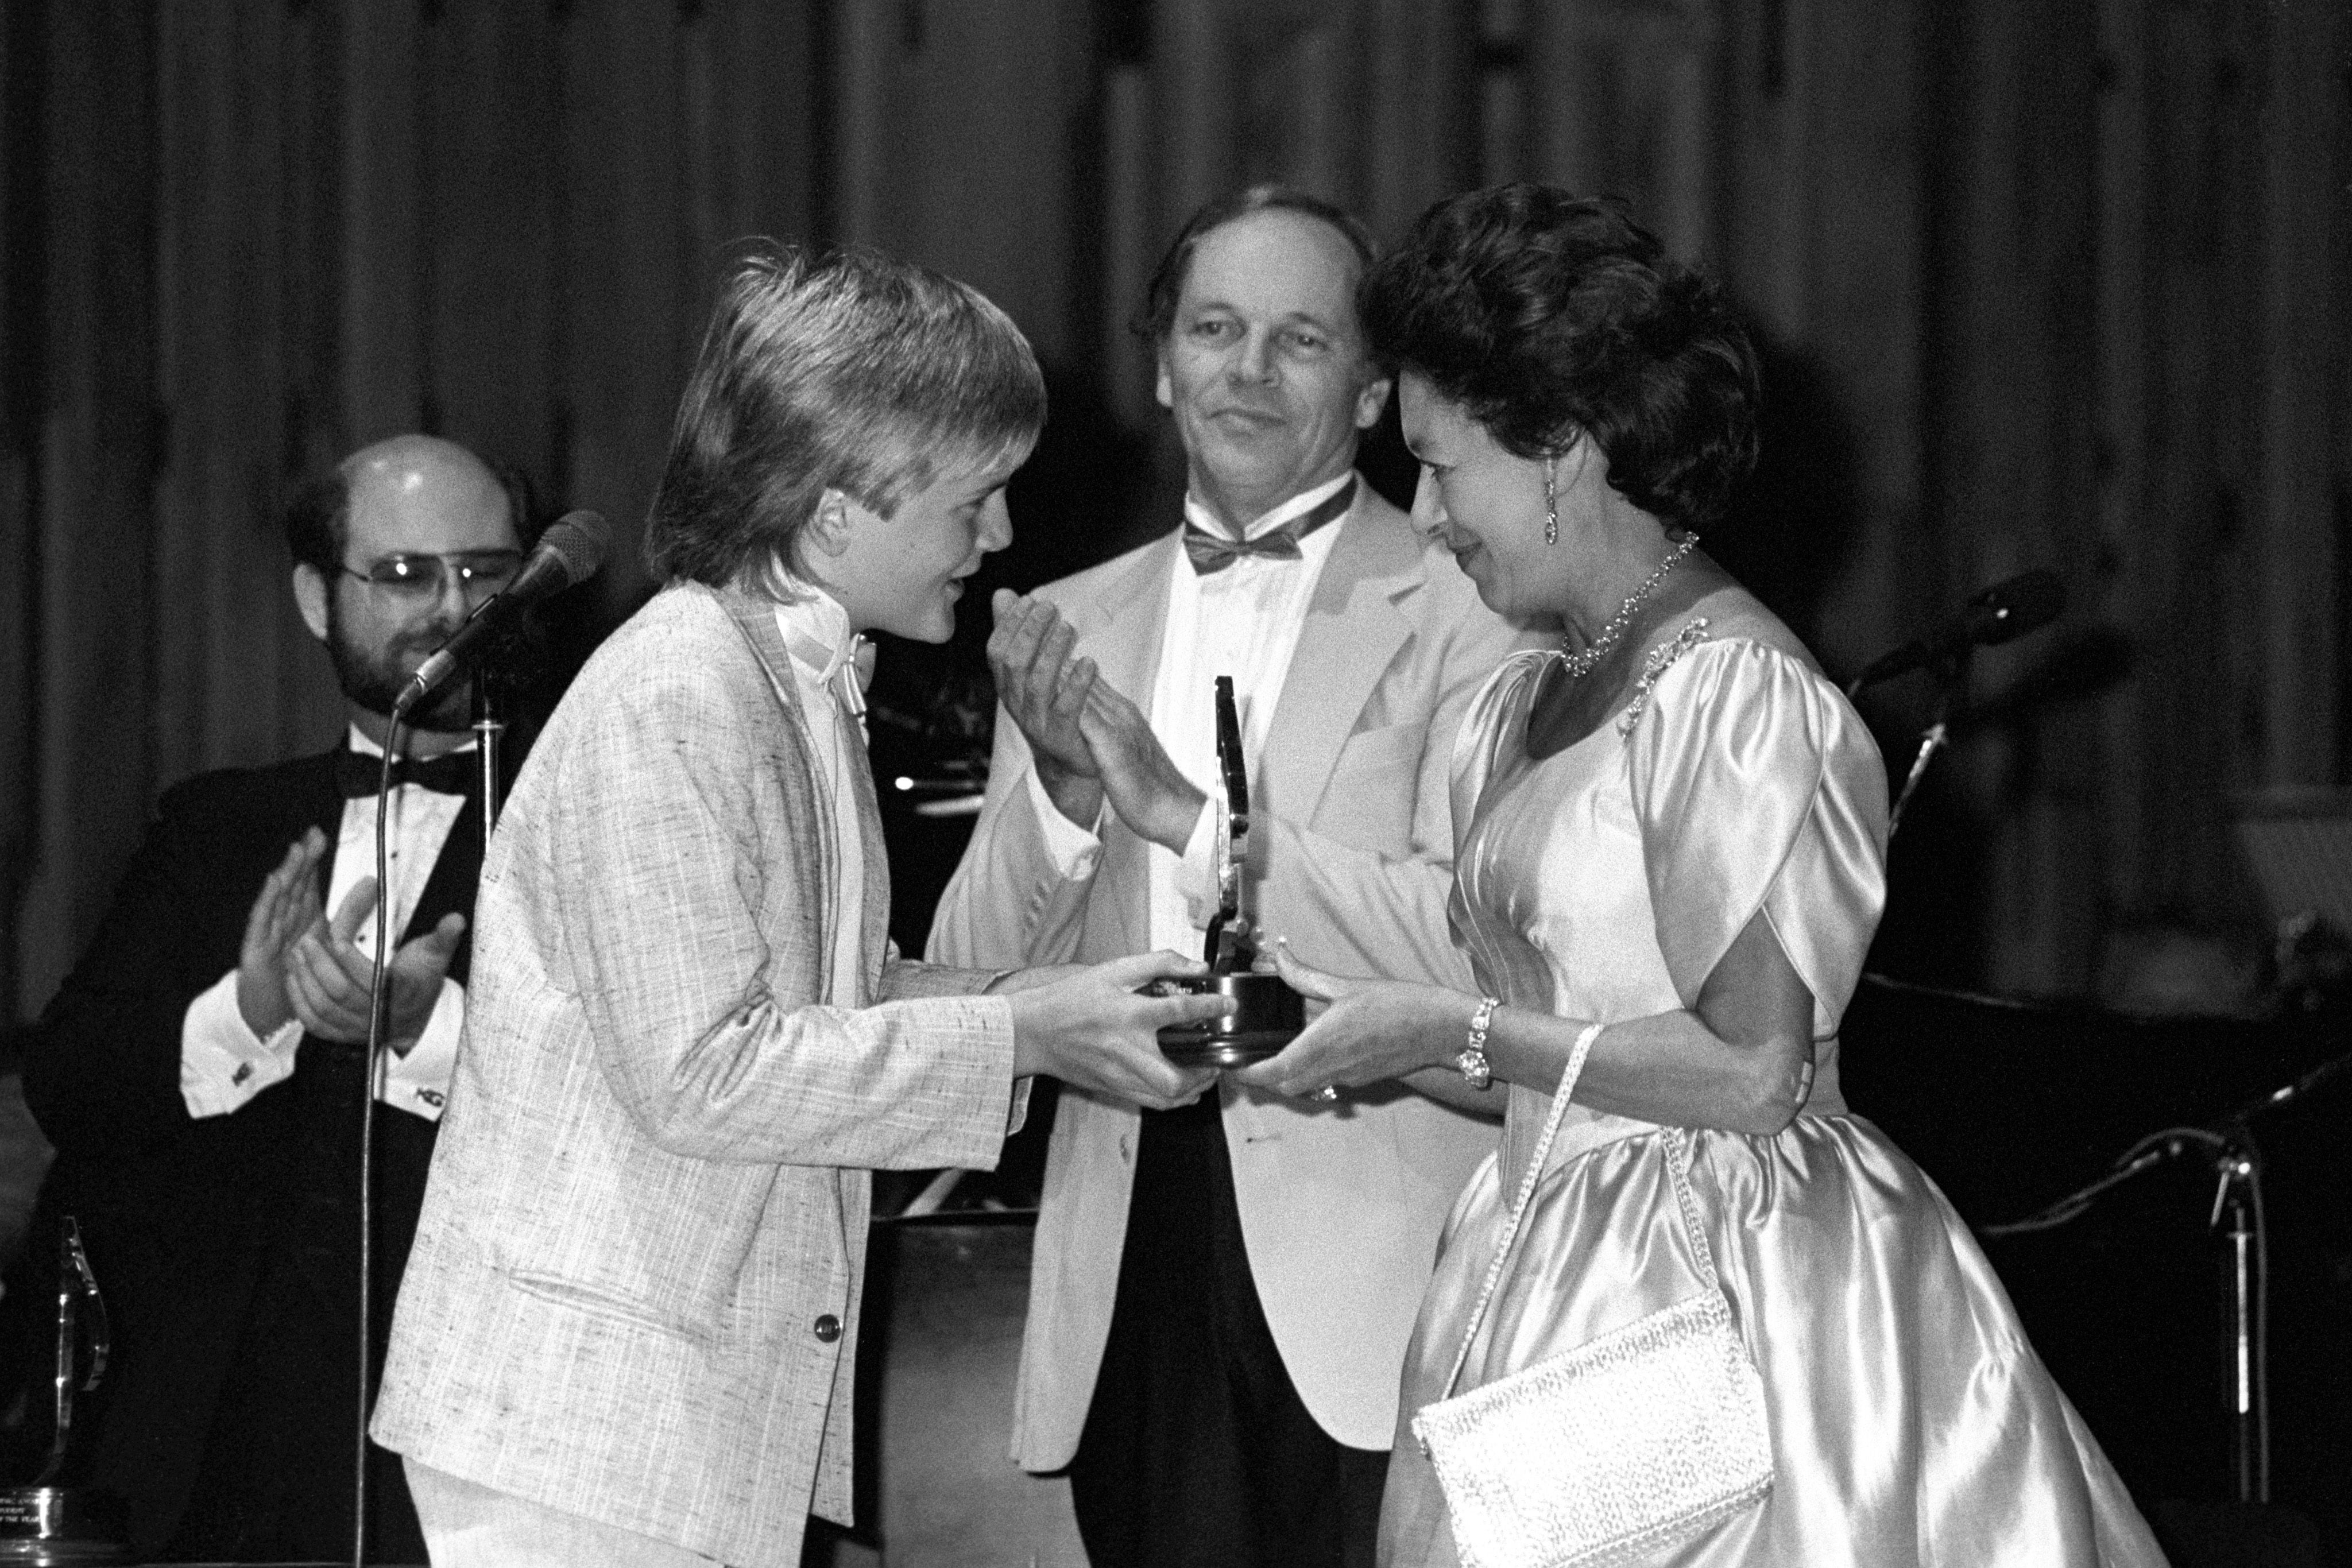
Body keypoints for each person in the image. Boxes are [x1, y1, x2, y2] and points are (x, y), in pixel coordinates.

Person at [1236, 184, 2168, 1565]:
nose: (1423, 514)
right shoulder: (1517, 700)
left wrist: (1447, 1024)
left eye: (1440, 466)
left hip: (1722, 1283)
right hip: (1541, 1269)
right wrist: (1340, 1025)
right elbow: (1545, 1060)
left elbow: (1750, 1073)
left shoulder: (1733, 692)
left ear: (1558, 447)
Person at [369, 246, 1229, 1568]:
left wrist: (1058, 1007)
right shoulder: (675, 687)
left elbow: (840, 996)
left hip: (664, 1422)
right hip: (582, 1425)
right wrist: (1026, 1037)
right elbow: (703, 1071)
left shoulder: (796, 680)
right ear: (834, 513)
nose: (998, 539)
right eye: (976, 498)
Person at [929, 187, 1538, 1567]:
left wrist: (1190, 814)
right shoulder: (1064, 617)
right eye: (1213, 329)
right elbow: (963, 978)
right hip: (1130, 1233)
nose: (1246, 371)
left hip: (1382, 1255)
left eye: (1299, 339)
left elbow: (1490, 953)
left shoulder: (1477, 603)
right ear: (1161, 363)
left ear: (1377, 393)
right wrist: (1068, 806)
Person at [22, 434, 536, 1561]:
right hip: (214, 1451)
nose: (453, 605)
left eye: (484, 571)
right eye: (404, 574)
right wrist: (247, 1014)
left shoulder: (572, 817)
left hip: (488, 1447)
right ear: (316, 597)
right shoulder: (215, 823)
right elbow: (70, 1079)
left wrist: (428, 1030)